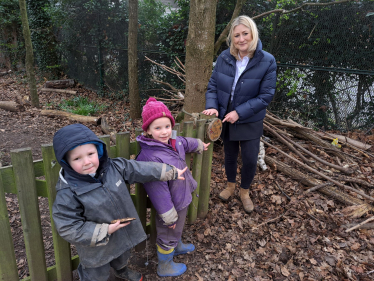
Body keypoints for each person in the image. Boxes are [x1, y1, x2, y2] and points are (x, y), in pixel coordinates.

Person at [52, 123, 188, 281]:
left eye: (90, 154)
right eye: (77, 158)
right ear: (66, 162)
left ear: (98, 151)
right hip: (95, 248)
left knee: (122, 257)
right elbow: (68, 226)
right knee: (97, 274)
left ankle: (121, 272)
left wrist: (169, 172)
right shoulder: (68, 191)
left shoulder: (112, 168)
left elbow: (139, 169)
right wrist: (104, 231)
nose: (87, 162)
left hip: (121, 234)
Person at [202, 15, 277, 213]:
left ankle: (244, 192)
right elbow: (213, 86)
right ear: (232, 39)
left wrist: (239, 112)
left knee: (251, 159)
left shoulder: (267, 61)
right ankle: (230, 186)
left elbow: (266, 96)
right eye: (236, 35)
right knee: (230, 155)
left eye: (245, 33)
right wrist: (213, 106)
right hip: (227, 118)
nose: (241, 39)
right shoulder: (224, 58)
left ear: (253, 34)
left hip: (250, 120)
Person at [136, 97, 210, 277]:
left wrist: (199, 144)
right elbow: (157, 191)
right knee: (168, 233)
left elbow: (185, 142)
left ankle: (176, 245)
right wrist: (168, 215)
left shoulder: (173, 142)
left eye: (167, 127)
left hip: (181, 197)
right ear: (147, 130)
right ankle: (165, 266)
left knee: (177, 229)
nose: (164, 132)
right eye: (158, 128)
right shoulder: (150, 157)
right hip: (169, 206)